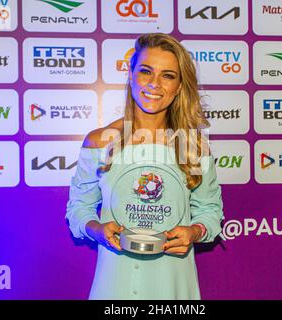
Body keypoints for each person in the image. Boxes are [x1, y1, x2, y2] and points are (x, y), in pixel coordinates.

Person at [66, 33, 224, 300]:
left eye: (168, 75)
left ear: (179, 85)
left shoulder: (193, 147)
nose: (154, 84)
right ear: (131, 74)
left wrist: (194, 232)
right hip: (114, 286)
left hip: (174, 287)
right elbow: (78, 208)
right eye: (146, 71)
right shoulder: (99, 141)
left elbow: (210, 210)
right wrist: (98, 230)